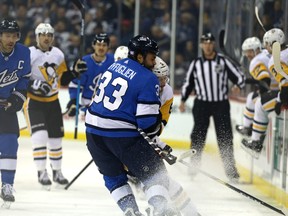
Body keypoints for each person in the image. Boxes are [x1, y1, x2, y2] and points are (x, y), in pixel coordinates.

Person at [85, 35, 196, 216]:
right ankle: (159, 209)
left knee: (114, 178)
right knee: (156, 171)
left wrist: (159, 145)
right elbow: (147, 125)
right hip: (120, 136)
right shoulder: (147, 78)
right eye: (152, 58)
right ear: (139, 56)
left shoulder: (113, 66)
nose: (154, 63)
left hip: (93, 134)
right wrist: (158, 147)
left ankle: (131, 212)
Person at [24, 23, 86, 189]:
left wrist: (74, 72)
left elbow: (62, 79)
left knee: (56, 139)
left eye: (49, 35)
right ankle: (41, 172)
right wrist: (36, 84)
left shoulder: (58, 54)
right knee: (40, 137)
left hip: (53, 101)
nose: (46, 38)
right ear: (37, 37)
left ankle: (57, 172)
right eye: (43, 34)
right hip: (34, 102)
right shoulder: (29, 53)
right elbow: (22, 78)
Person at [178, 32, 245, 182]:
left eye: (210, 42)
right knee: (197, 136)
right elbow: (188, 83)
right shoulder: (196, 63)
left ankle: (231, 171)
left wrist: (238, 86)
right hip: (202, 104)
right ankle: (194, 166)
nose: (207, 45)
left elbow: (239, 76)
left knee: (225, 137)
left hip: (220, 103)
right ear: (201, 45)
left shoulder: (223, 61)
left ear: (213, 44)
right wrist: (182, 100)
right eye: (205, 42)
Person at [242, 28, 287, 155]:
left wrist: (279, 100)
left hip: (282, 90)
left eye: (267, 44)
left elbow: (268, 80)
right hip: (280, 88)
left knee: (259, 103)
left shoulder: (274, 60)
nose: (265, 47)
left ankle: (256, 141)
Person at [0, 18, 31, 205]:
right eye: (7, 35)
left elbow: (24, 79)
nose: (10, 39)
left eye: (14, 36)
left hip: (6, 106)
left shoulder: (23, 52)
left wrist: (18, 97)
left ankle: (7, 185)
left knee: (11, 143)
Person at [236, 36, 278, 137]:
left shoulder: (256, 61)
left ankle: (253, 134)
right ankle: (248, 126)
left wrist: (262, 91)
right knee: (252, 97)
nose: (247, 55)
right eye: (246, 52)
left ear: (257, 49)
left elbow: (264, 80)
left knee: (256, 100)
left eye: (250, 51)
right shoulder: (265, 53)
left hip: (277, 90)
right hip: (279, 87)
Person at [66, 33, 114, 117]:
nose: (101, 48)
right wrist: (74, 101)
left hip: (107, 105)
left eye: (104, 45)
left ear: (108, 46)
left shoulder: (114, 61)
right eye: (98, 44)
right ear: (93, 45)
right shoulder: (84, 62)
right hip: (88, 106)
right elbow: (75, 85)